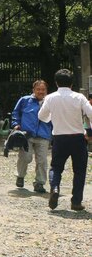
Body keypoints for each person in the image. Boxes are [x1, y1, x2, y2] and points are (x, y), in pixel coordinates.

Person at [38, 69, 92, 211]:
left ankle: (55, 188)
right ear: (72, 83)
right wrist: (90, 130)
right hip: (78, 138)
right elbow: (91, 114)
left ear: (56, 82)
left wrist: (52, 118)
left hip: (59, 138)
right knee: (79, 170)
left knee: (56, 167)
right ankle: (76, 202)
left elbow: (41, 116)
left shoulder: (50, 98)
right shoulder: (79, 97)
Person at [11, 80, 52, 193]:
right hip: (26, 135)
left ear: (46, 91)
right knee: (25, 157)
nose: (41, 92)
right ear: (33, 90)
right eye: (38, 89)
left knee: (42, 160)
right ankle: (20, 175)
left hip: (44, 135)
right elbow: (16, 113)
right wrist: (15, 124)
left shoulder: (50, 101)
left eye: (43, 89)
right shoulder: (24, 100)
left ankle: (39, 183)